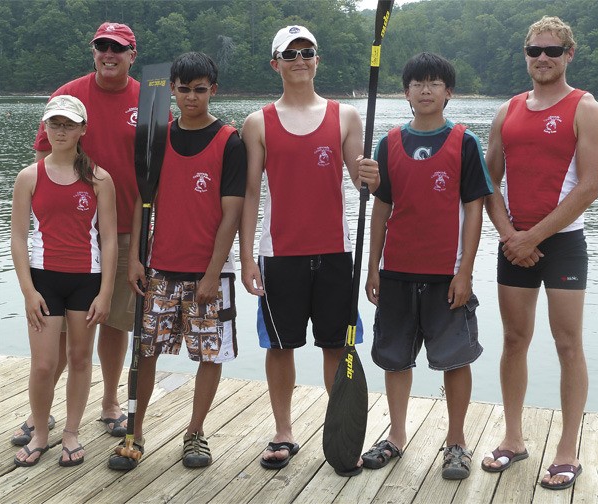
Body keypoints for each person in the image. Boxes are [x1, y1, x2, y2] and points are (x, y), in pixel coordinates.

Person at [240, 25, 379, 472]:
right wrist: (245, 258)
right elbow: (248, 195)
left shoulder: (345, 116)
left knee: (335, 347)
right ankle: (283, 432)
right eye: (290, 54)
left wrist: (371, 176)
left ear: (317, 60)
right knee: (280, 347)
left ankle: (338, 430)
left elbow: (360, 181)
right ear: (275, 63)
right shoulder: (257, 122)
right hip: (280, 254)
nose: (300, 60)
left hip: (336, 252)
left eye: (308, 52)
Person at [480, 16, 598, 490]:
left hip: (562, 245)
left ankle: (566, 449)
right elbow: (487, 179)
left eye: (552, 51)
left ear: (569, 55)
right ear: (526, 54)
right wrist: (509, 233)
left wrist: (533, 237)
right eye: (534, 50)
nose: (542, 58)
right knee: (515, 340)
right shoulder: (508, 110)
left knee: (567, 344)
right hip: (513, 242)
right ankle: (513, 439)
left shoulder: (587, 109)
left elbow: (591, 189)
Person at [108, 51, 247, 471]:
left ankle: (195, 433)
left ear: (213, 91)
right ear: (171, 89)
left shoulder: (230, 141)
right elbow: (141, 201)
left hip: (209, 273)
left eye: (200, 89)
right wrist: (134, 258)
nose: (191, 97)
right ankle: (136, 431)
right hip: (160, 270)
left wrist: (211, 274)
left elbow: (232, 215)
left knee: (209, 356)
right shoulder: (157, 136)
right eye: (183, 89)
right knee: (145, 351)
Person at [360, 52, 492, 480]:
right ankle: (396, 436)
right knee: (396, 359)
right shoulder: (390, 142)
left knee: (455, 359)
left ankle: (456, 442)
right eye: (418, 84)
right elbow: (381, 209)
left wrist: (466, 271)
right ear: (406, 92)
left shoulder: (465, 142)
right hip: (397, 270)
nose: (426, 90)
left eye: (435, 83)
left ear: (449, 92)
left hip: (445, 273)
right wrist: (373, 267)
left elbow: (474, 211)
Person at [13, 22, 142, 445]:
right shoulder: (66, 95)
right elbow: (41, 165)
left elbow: (162, 162)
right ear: (93, 52)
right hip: (68, 239)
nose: (109, 53)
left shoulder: (148, 98)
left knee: (115, 321)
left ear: (131, 55)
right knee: (62, 332)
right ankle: (42, 414)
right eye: (101, 46)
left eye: (117, 48)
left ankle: (108, 404)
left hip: (123, 228)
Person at [11, 95, 117, 467]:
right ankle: (40, 431)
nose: (60, 131)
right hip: (43, 281)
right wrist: (27, 291)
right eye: (54, 124)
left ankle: (71, 431)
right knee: (43, 365)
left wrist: (105, 293)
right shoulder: (29, 176)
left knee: (79, 358)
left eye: (69, 124)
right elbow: (19, 238)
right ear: (45, 127)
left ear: (82, 130)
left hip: (86, 280)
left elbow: (109, 239)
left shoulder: (100, 179)